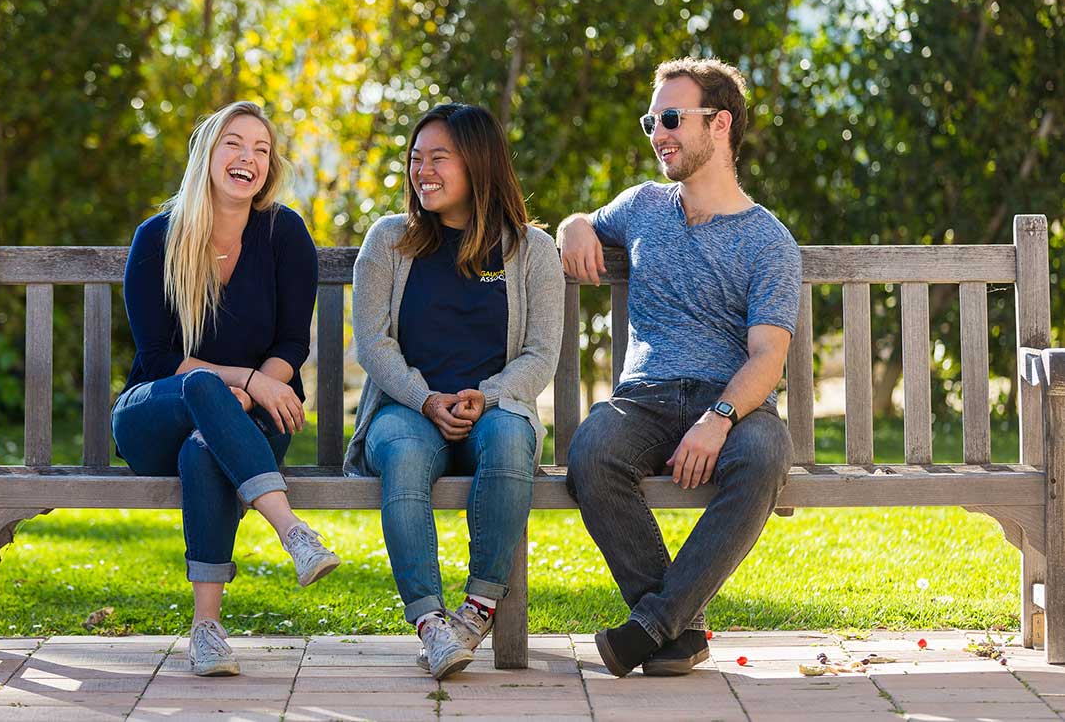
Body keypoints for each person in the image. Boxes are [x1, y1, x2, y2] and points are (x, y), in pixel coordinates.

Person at [559, 58, 801, 677]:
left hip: (730, 402)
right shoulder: (642, 206)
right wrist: (574, 226)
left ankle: (652, 627)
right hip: (645, 399)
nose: (658, 134)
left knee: (766, 454)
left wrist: (719, 418)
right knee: (592, 451)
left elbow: (768, 356)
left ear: (719, 124)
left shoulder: (767, 240)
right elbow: (584, 221)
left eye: (671, 119)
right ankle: (674, 631)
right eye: (651, 121)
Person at [112, 101, 340, 678]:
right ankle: (293, 532)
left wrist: (252, 391)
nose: (249, 158)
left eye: (261, 150)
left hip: (251, 422)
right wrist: (245, 382)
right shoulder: (158, 238)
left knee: (204, 447)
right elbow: (162, 358)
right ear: (207, 154)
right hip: (155, 411)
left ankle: (207, 631)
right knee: (204, 391)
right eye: (235, 144)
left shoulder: (283, 233)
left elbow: (293, 344)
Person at [344, 103, 564, 679]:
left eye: (439, 158)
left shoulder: (532, 251)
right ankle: (431, 625)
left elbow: (541, 354)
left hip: (495, 409)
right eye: (416, 159)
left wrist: (486, 396)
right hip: (406, 410)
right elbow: (373, 343)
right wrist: (426, 399)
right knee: (404, 451)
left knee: (512, 442)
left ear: (479, 163)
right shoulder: (390, 240)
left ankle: (477, 609)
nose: (423, 171)